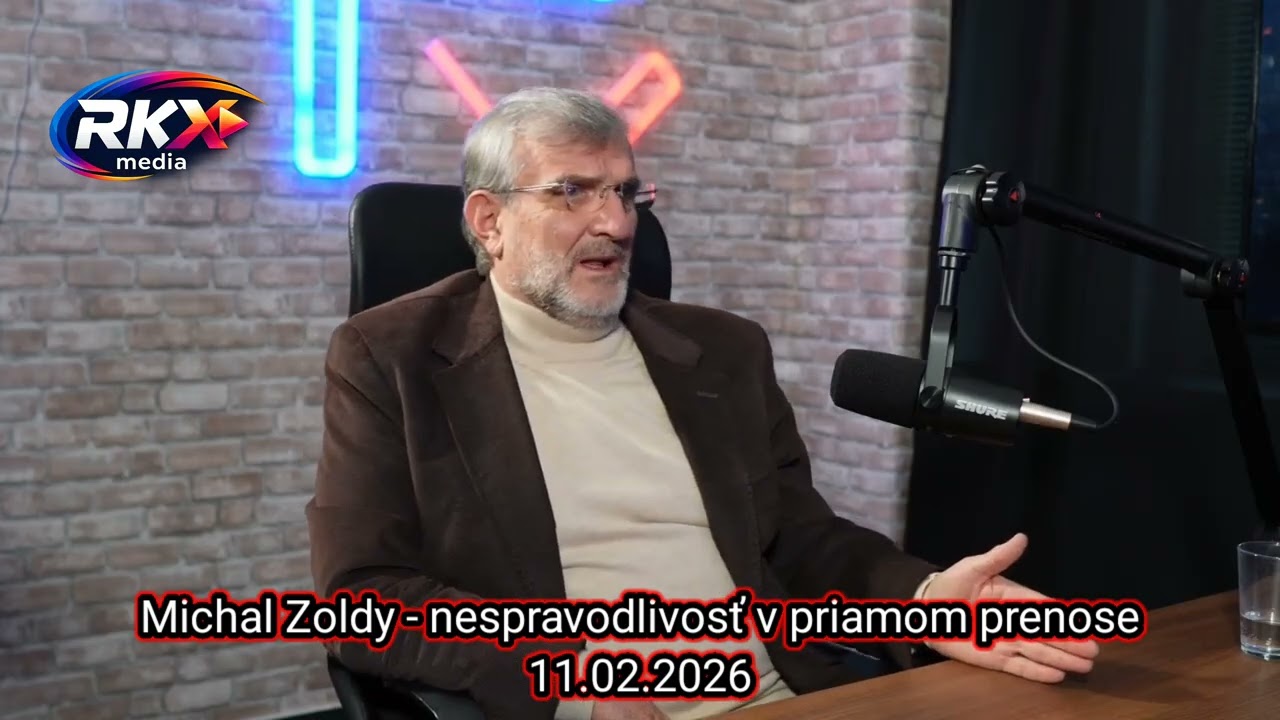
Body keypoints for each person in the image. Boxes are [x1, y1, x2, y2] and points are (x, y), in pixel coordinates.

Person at [306, 87, 1099, 720]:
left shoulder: (723, 350)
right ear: (490, 221)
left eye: (626, 192)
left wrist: (923, 600)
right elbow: (364, 595)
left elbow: (799, 537)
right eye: (573, 192)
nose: (616, 223)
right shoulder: (391, 356)